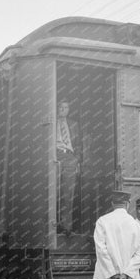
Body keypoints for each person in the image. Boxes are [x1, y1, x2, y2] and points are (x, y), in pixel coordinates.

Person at [56, 101, 81, 236]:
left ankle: (67, 227)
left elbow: (78, 143)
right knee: (54, 192)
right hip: (55, 156)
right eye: (60, 107)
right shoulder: (52, 122)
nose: (63, 110)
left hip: (69, 157)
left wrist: (76, 159)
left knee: (68, 193)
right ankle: (54, 225)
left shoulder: (73, 124)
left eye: (66, 107)